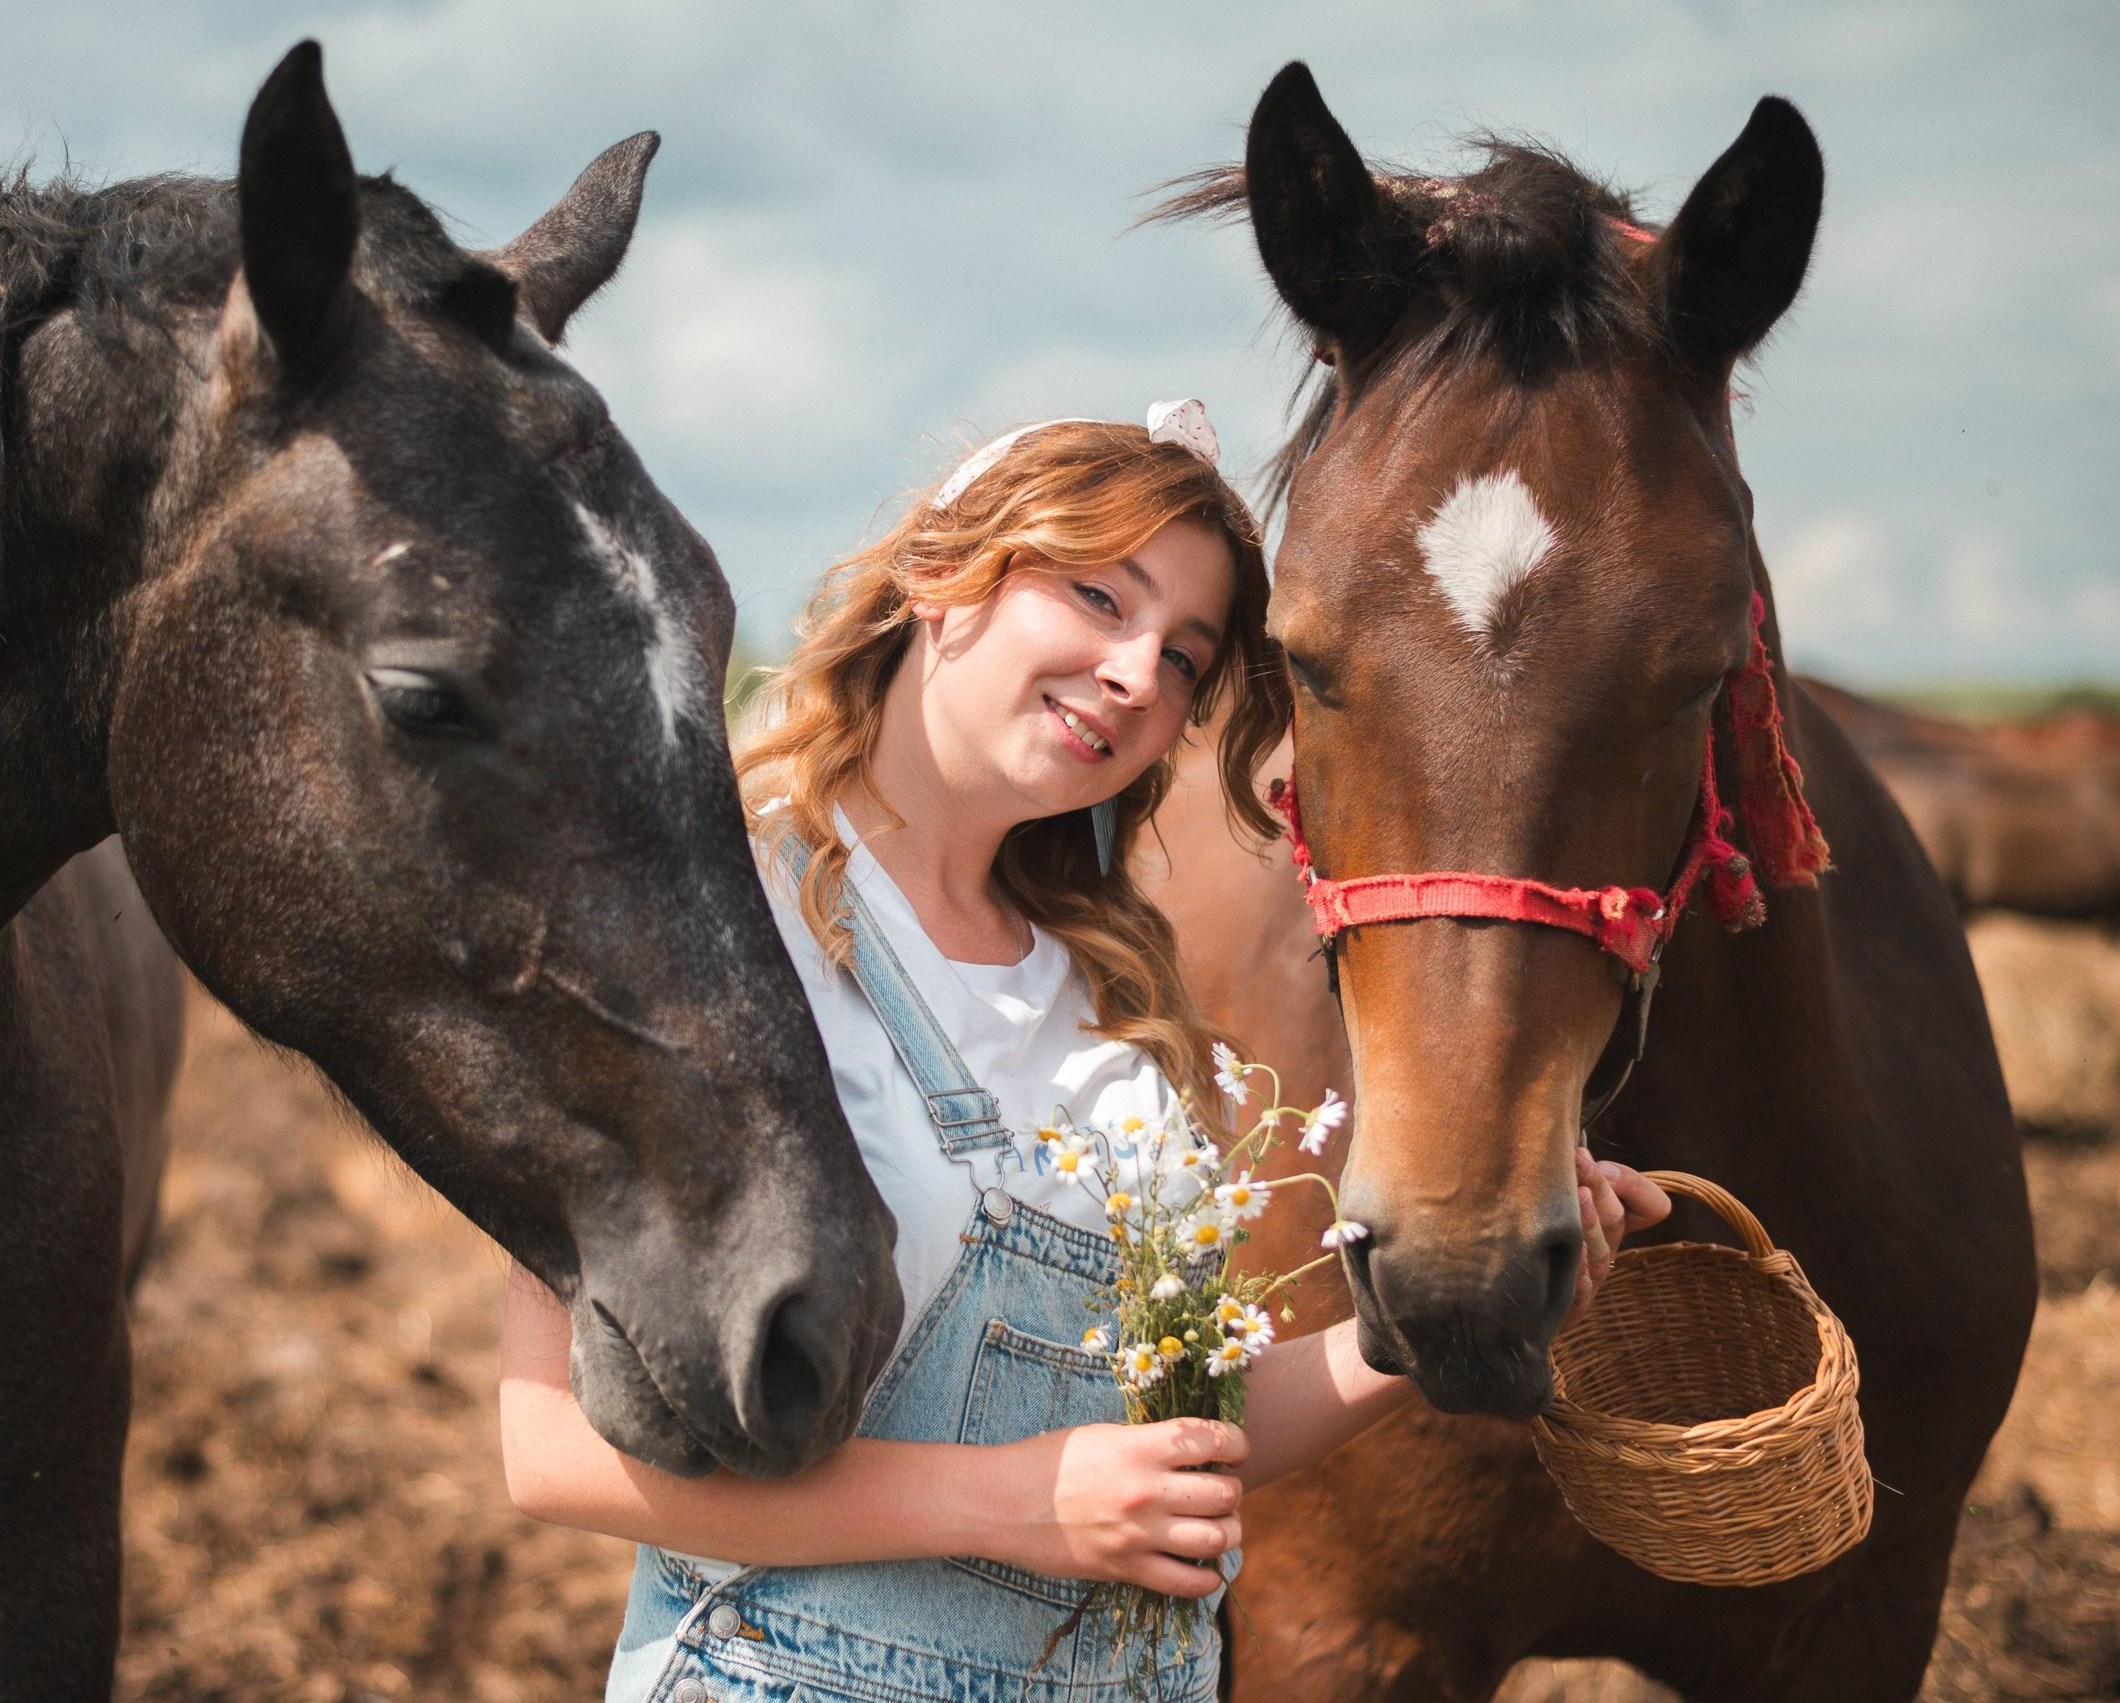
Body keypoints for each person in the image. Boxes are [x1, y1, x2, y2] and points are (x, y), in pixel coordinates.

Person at [499, 402, 1670, 1702]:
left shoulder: (1109, 983)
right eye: (1099, 596)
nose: (1135, 676)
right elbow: (550, 1448)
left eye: (1184, 658)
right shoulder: (705, 921)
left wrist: (1414, 1337)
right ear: (942, 574)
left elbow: (1164, 1438)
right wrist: (1006, 1503)